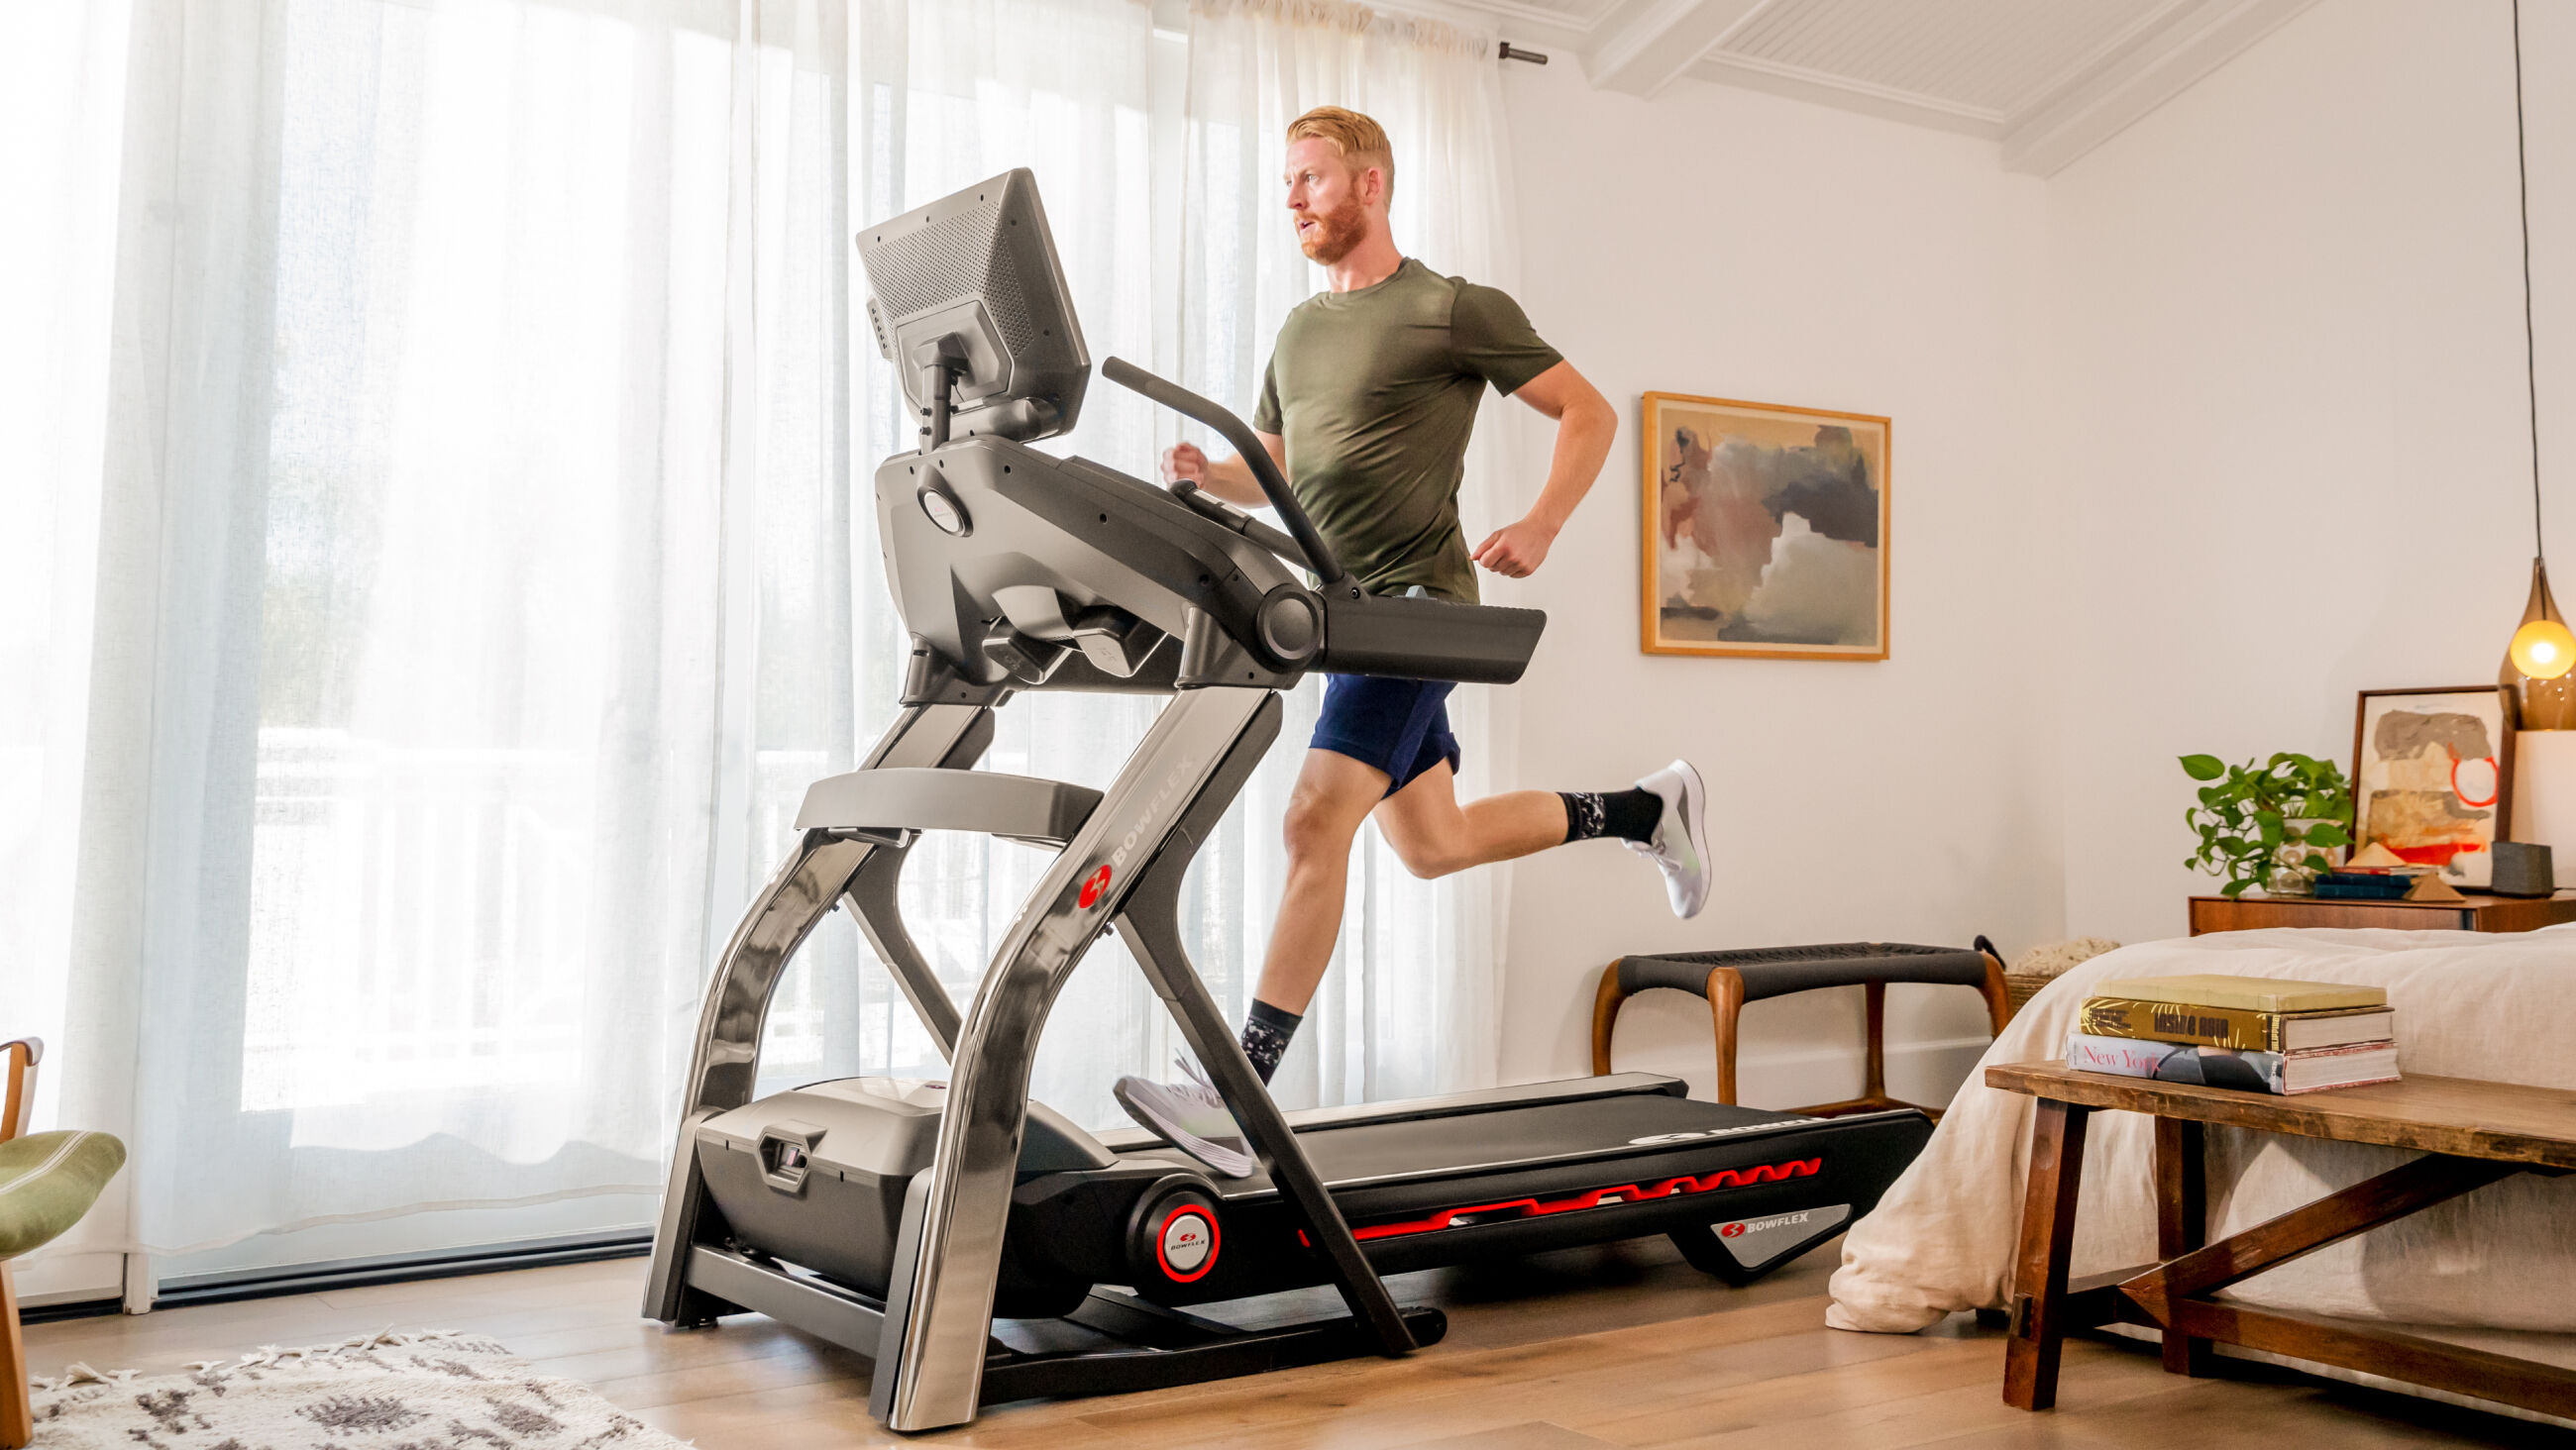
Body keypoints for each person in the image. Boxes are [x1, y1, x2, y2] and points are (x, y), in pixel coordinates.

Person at [1112, 107, 1711, 1177]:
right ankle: (1644, 809)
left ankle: (1233, 1095)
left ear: (1371, 185)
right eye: (1285, 182)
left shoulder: (1448, 308)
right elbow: (1283, 468)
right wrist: (1213, 477)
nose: (1290, 198)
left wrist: (1537, 523)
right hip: (1339, 619)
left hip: (1417, 604)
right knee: (1429, 846)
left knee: (1311, 823)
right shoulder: (1297, 331)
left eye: (1309, 180)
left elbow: (1586, 412)